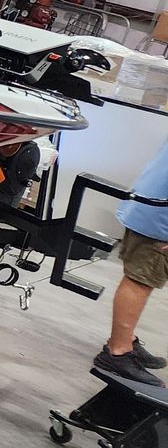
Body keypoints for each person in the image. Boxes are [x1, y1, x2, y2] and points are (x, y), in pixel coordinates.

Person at [100, 143, 168, 385]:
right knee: (140, 279)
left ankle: (124, 339)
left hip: (152, 206)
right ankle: (117, 352)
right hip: (160, 216)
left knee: (143, 278)